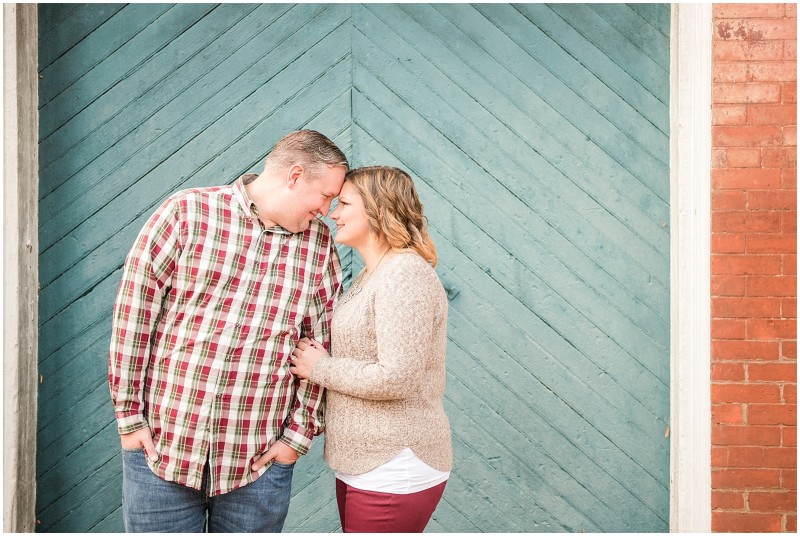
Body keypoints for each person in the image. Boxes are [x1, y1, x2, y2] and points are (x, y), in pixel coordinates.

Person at [108, 130, 348, 532]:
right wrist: (130, 419)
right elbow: (134, 317)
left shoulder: (318, 245)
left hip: (256, 465)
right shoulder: (186, 213)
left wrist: (296, 438)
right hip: (162, 451)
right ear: (294, 175)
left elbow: (321, 343)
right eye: (325, 195)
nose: (326, 209)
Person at [289, 165, 452, 533]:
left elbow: (398, 378)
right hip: (365, 461)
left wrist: (320, 368)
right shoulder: (374, 273)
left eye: (344, 204)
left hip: (395, 462)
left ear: (379, 210)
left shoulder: (404, 275)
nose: (334, 214)